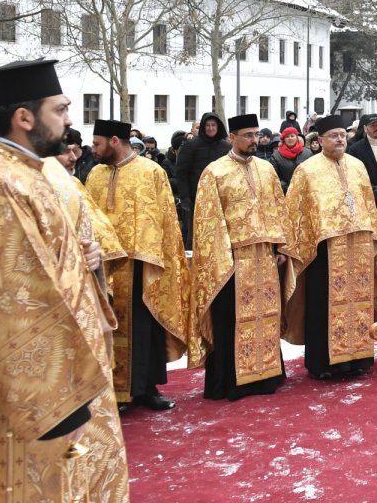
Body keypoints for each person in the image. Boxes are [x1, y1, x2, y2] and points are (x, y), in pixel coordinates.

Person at [0, 59, 126, 502]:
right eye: (61, 109)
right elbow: (10, 296)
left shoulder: (24, 173)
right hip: (33, 396)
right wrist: (57, 401)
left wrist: (86, 259)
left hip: (61, 374)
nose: (70, 120)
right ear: (24, 118)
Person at [41, 146, 129, 503]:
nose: (75, 153)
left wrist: (94, 259)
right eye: (59, 110)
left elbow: (90, 239)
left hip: (79, 315)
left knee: (82, 433)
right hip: (39, 331)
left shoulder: (66, 183)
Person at [86, 119, 190, 412]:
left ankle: (146, 389)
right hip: (104, 266)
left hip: (140, 264)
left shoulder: (151, 172)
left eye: (97, 143)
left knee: (144, 330)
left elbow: (167, 220)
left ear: (115, 141)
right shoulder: (94, 174)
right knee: (109, 328)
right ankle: (113, 392)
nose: (93, 149)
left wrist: (162, 257)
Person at [189, 114, 290, 400]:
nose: (253, 140)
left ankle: (266, 375)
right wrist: (222, 258)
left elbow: (278, 209)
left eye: (256, 134)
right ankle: (232, 382)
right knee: (231, 320)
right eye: (247, 135)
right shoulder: (215, 172)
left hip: (264, 256)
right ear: (231, 137)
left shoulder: (266, 169)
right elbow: (208, 221)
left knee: (266, 317)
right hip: (232, 259)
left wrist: (280, 246)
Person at [283, 115, 377, 380]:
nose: (340, 139)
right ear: (319, 141)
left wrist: (376, 233)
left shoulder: (358, 166)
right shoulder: (307, 170)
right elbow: (295, 211)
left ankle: (358, 358)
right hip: (325, 250)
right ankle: (324, 363)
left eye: (342, 135)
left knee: (359, 303)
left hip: (359, 245)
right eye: (333, 136)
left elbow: (367, 203)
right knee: (324, 305)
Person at [173, 111, 231, 248]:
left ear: (218, 127)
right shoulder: (191, 146)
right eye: (208, 125)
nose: (211, 128)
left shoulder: (227, 147)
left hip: (221, 197)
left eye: (213, 125)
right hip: (196, 198)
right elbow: (181, 173)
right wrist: (185, 198)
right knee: (196, 234)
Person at [270, 126, 312, 194]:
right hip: (285, 193)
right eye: (287, 136)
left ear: (297, 137)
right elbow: (274, 176)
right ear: (284, 139)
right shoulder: (276, 156)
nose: (290, 138)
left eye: (292, 136)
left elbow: (312, 173)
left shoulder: (308, 153)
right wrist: (287, 188)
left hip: (305, 192)